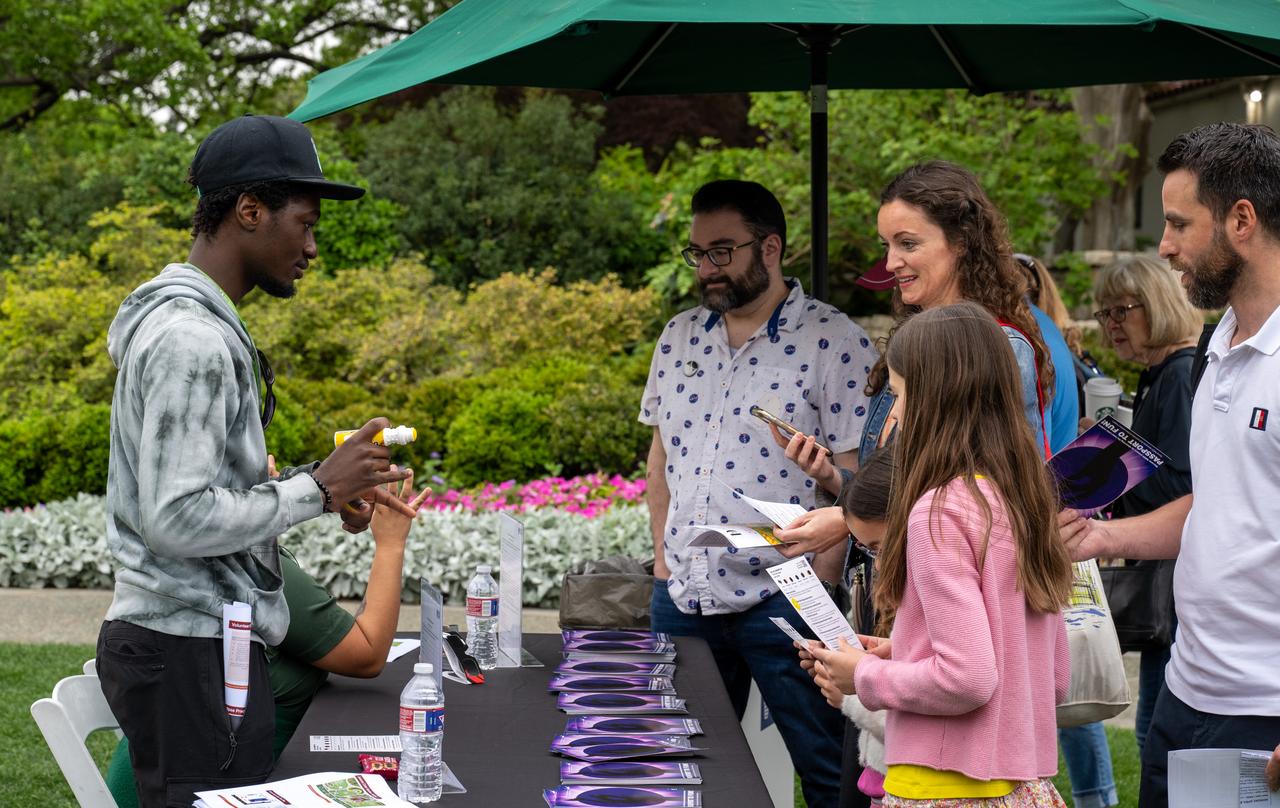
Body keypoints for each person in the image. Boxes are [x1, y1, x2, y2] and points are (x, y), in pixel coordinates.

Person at [96, 114, 417, 808]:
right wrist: (316, 492)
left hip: (196, 646)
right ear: (249, 210)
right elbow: (176, 520)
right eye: (304, 224)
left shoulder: (196, 328)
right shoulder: (192, 340)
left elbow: (199, 496)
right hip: (184, 651)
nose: (311, 247)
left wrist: (321, 487)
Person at [1060, 122, 1280, 807]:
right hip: (1184, 696)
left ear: (1240, 220)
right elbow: (1219, 503)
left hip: (1263, 714)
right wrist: (1105, 537)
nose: (1165, 246)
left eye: (1180, 223)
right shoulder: (1218, 345)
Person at [640, 179, 878, 806]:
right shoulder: (679, 336)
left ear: (769, 248)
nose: (707, 269)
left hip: (789, 596)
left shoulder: (836, 341)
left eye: (722, 251)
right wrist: (664, 568)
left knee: (828, 769)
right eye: (697, 253)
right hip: (684, 594)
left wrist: (822, 585)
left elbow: (859, 479)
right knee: (675, 766)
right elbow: (661, 458)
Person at [807, 301, 1073, 807]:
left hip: (941, 788)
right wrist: (906, 652)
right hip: (1021, 788)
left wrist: (863, 675)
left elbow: (967, 678)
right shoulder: (1022, 497)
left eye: (901, 395)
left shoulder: (939, 512)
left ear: (934, 399)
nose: (898, 413)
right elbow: (1053, 677)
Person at [773, 161, 1054, 570]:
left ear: (960, 242)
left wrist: (846, 521)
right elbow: (901, 483)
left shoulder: (998, 347)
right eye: (886, 246)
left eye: (907, 244)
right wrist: (832, 477)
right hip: (895, 593)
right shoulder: (913, 343)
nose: (889, 263)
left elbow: (987, 500)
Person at [106, 469, 430, 807]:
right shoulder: (245, 565)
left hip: (172, 776)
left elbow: (350, 640)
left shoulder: (216, 550)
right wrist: (391, 545)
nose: (274, 468)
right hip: (177, 792)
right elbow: (367, 653)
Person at [1012, 252, 1119, 808]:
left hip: (1042, 517)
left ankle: (1093, 796)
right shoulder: (1045, 330)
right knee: (1066, 667)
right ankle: (1093, 795)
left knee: (1066, 671)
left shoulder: (1020, 337)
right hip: (1055, 511)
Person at [1092, 255, 1201, 756]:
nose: (1111, 324)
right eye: (1104, 313)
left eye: (1122, 310)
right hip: (1164, 569)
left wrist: (1108, 477)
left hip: (1176, 572)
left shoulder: (1178, 374)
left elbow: (1183, 484)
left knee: (1155, 733)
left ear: (1156, 306)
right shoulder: (1160, 373)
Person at [832, 444, 896, 807]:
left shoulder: (930, 593)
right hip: (882, 780)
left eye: (880, 548)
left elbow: (920, 727)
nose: (877, 563)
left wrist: (850, 694)